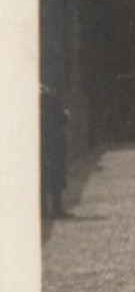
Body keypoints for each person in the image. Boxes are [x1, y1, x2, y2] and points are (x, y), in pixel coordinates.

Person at [40, 85, 68, 219]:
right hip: (54, 143)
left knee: (42, 179)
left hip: (41, 144)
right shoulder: (50, 97)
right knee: (55, 177)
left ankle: (42, 210)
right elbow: (63, 118)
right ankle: (56, 209)